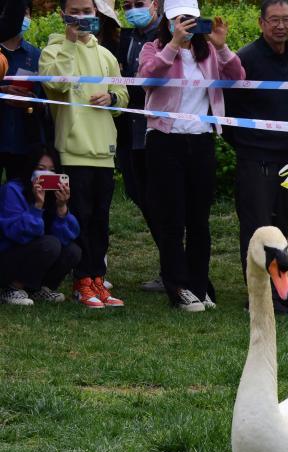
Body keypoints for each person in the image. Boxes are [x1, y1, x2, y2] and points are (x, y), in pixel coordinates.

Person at [139, 0, 244, 312]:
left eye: (191, 19)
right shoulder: (153, 48)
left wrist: (223, 47)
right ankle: (178, 288)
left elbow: (237, 76)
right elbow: (148, 77)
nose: (186, 25)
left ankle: (200, 285)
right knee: (172, 219)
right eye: (179, 20)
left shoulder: (208, 52)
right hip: (164, 140)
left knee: (199, 220)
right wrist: (172, 45)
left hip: (200, 141)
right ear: (169, 22)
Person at [225, 0, 288, 311]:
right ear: (261, 23)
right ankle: (259, 298)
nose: (281, 26)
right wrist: (246, 144)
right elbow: (227, 111)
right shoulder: (245, 59)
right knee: (257, 229)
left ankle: (281, 294)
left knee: (280, 229)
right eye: (274, 20)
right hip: (255, 158)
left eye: (286, 19)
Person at [40, 0, 128, 309]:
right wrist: (69, 41)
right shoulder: (53, 51)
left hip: (104, 152)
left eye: (87, 12)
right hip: (73, 151)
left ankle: (98, 278)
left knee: (101, 221)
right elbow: (55, 83)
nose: (81, 18)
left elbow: (125, 96)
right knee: (81, 218)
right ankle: (81, 281)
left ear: (97, 15)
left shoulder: (106, 55)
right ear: (63, 15)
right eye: (74, 12)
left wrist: (112, 97)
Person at [116, 0, 161, 292]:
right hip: (129, 131)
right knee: (138, 192)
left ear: (155, 4)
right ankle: (168, 259)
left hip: (158, 130)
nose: (134, 8)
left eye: (140, 3)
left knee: (161, 200)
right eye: (128, 4)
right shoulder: (124, 37)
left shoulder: (166, 36)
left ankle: (172, 265)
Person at [0, 146, 81, 306]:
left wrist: (62, 207)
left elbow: (65, 239)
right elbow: (15, 233)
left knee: (73, 251)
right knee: (49, 244)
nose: (46, 175)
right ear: (30, 169)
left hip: (35, 252)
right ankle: (12, 288)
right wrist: (36, 207)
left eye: (52, 170)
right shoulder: (12, 190)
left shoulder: (53, 196)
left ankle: (40, 289)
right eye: (40, 169)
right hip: (7, 256)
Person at [1, 4, 45, 184]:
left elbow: (44, 99)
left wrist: (30, 100)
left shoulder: (36, 55)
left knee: (19, 197)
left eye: (25, 13)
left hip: (22, 140)